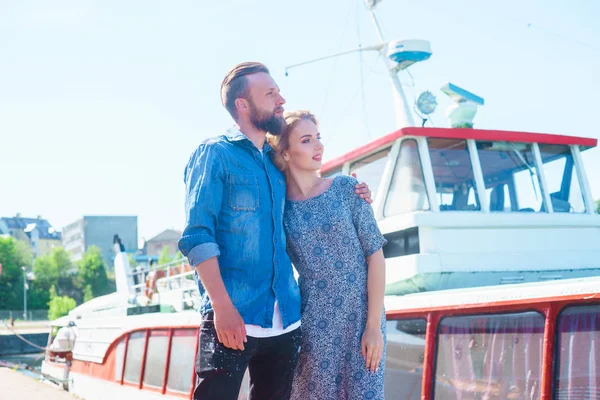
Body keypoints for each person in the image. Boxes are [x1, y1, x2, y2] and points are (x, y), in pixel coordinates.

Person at [178, 62, 372, 400]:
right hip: (232, 318)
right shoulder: (215, 154)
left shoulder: (277, 161)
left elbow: (312, 190)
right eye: (270, 93)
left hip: (287, 324)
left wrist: (357, 192)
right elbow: (197, 236)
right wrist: (221, 309)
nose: (280, 99)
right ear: (243, 104)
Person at [268, 110, 387, 400]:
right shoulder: (280, 211)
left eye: (318, 138)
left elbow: (375, 256)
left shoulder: (346, 188)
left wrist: (373, 326)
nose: (319, 146)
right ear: (285, 152)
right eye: (307, 140)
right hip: (314, 323)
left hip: (361, 315)